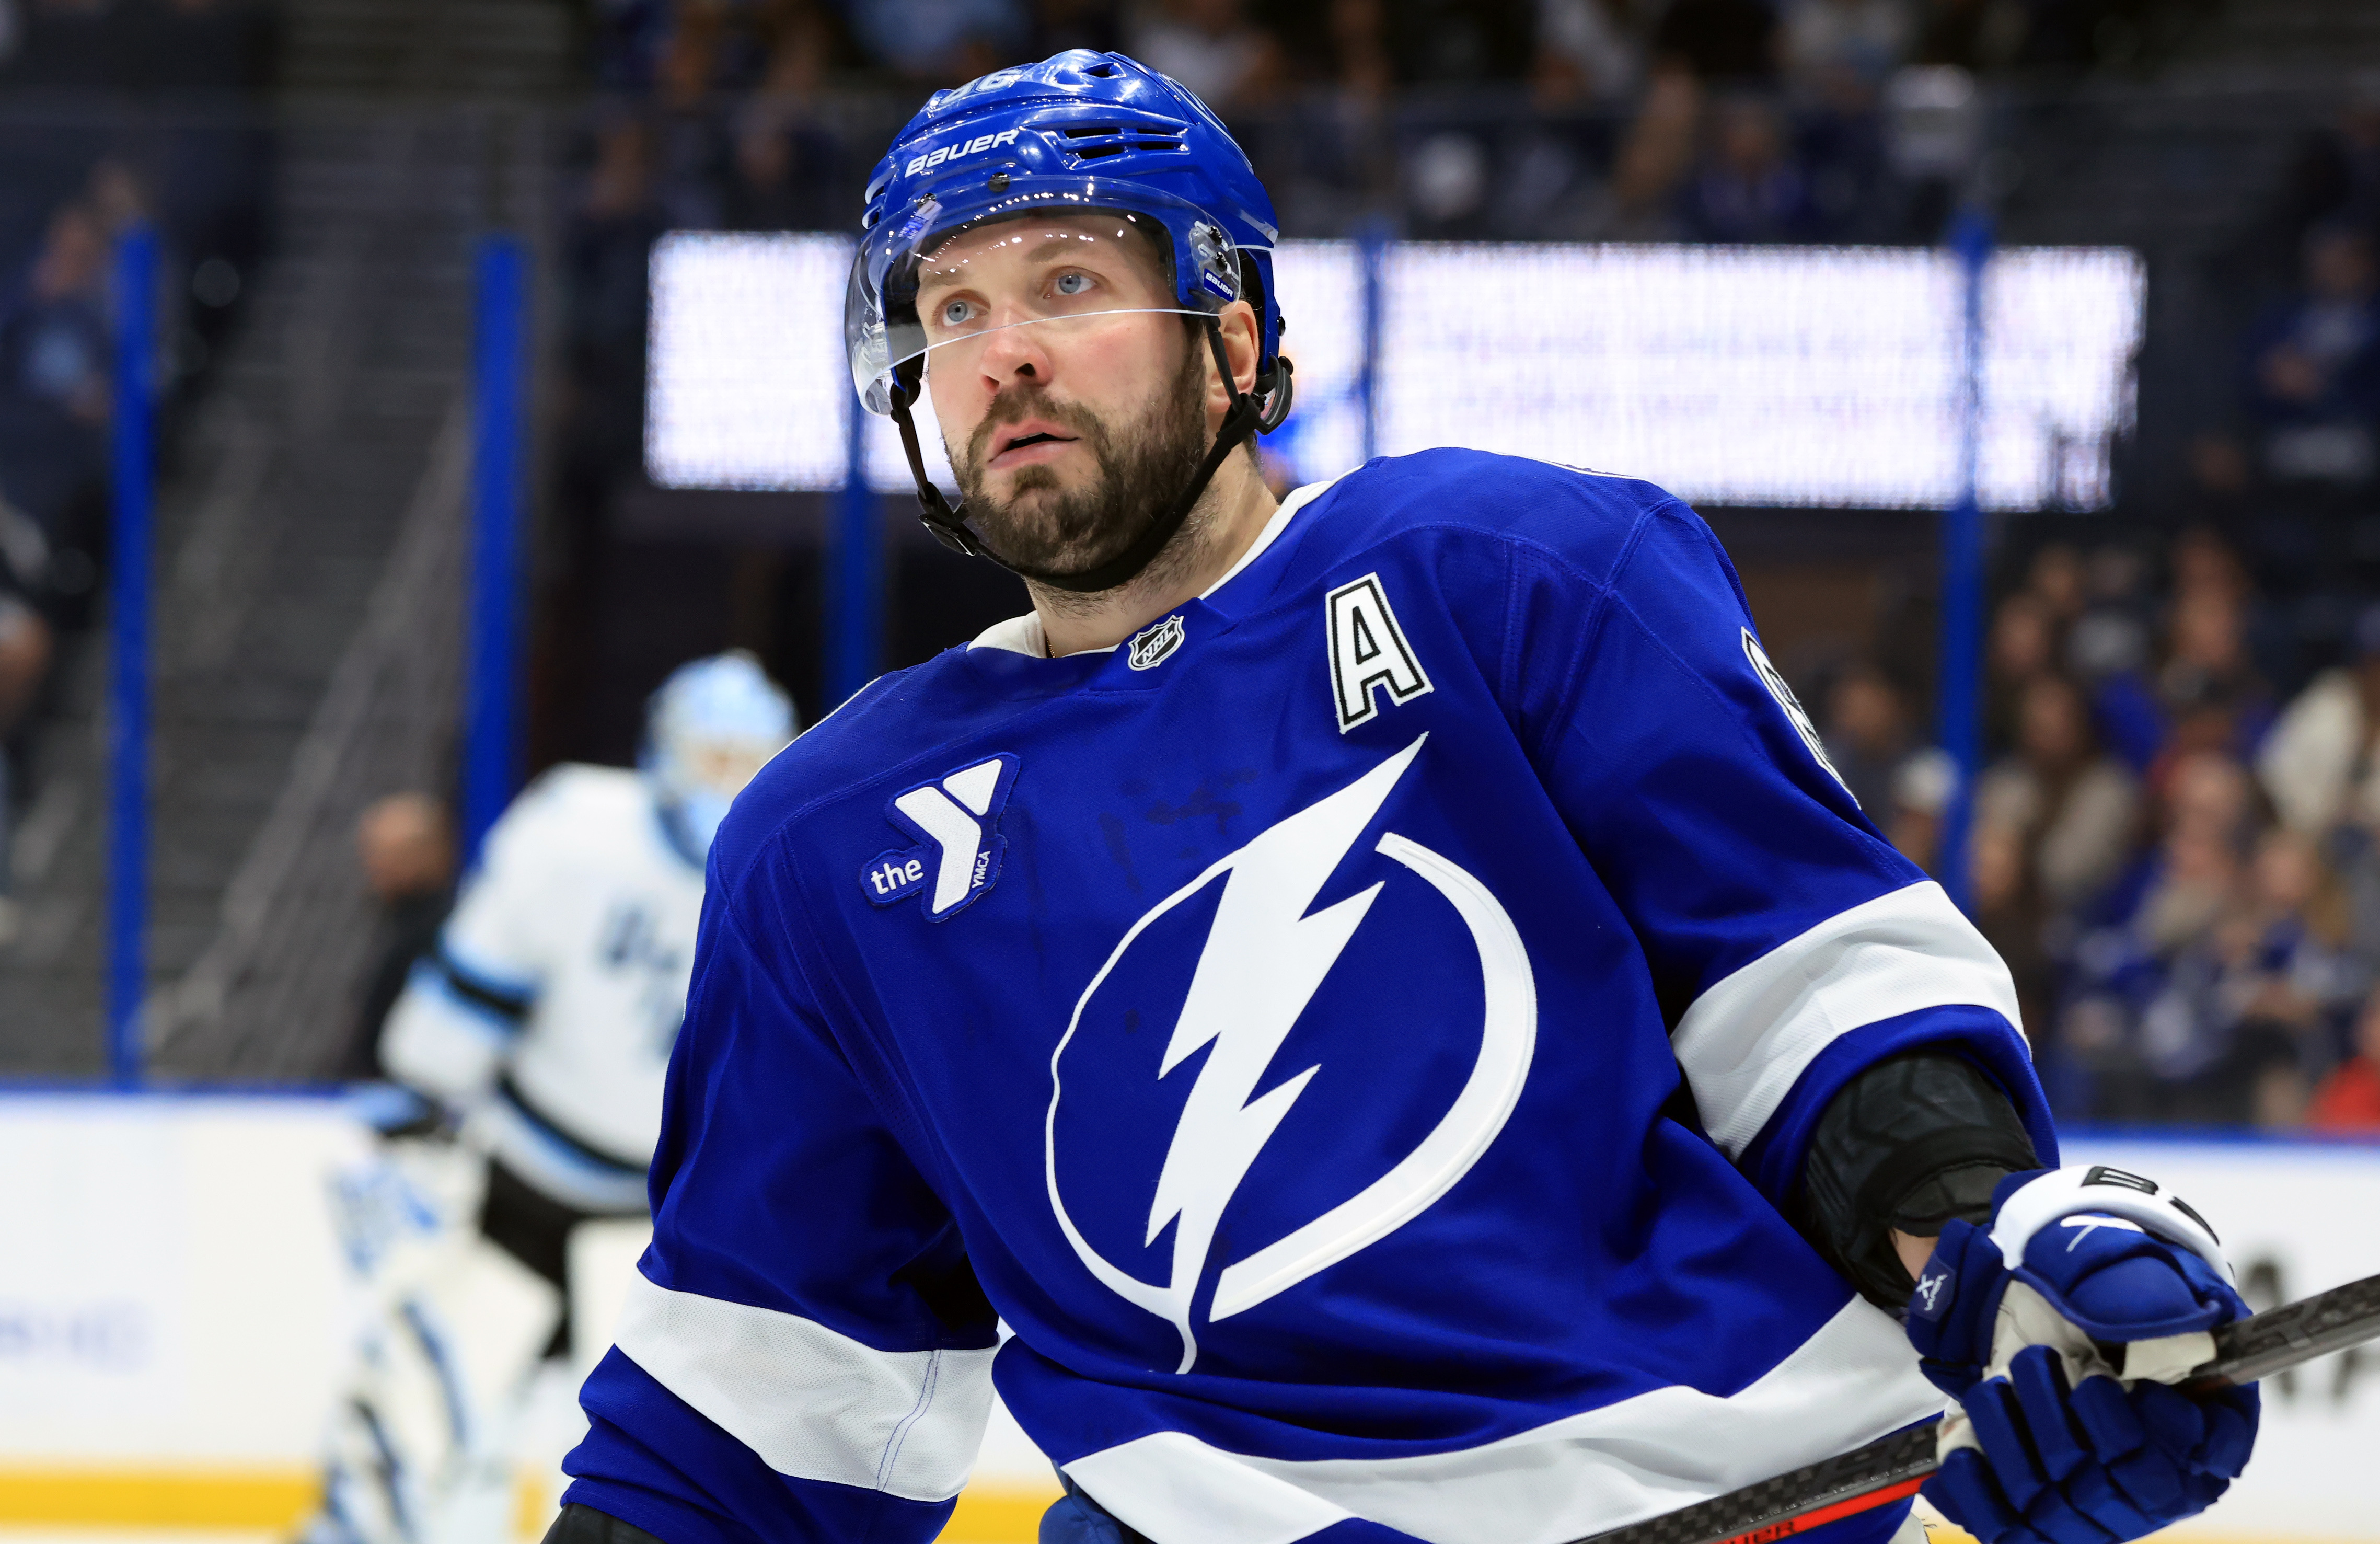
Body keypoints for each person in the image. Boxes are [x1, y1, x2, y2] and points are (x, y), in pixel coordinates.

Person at [548, 52, 2257, 1544]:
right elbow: (762, 1403)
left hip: (1718, 1504)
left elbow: (1810, 993)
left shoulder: (1505, 570)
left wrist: (1987, 1264)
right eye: (954, 310)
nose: (1000, 354)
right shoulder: (832, 845)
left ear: (1230, 337)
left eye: (1066, 283)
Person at [296, 654, 796, 1544]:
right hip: (524, 1196)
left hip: (670, 1229)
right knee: (420, 1422)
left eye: (744, 759)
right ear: (662, 751)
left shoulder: (787, 864)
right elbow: (451, 1027)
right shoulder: (580, 833)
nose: (725, 781)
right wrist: (422, 1109)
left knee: (634, 1481)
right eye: (712, 755)